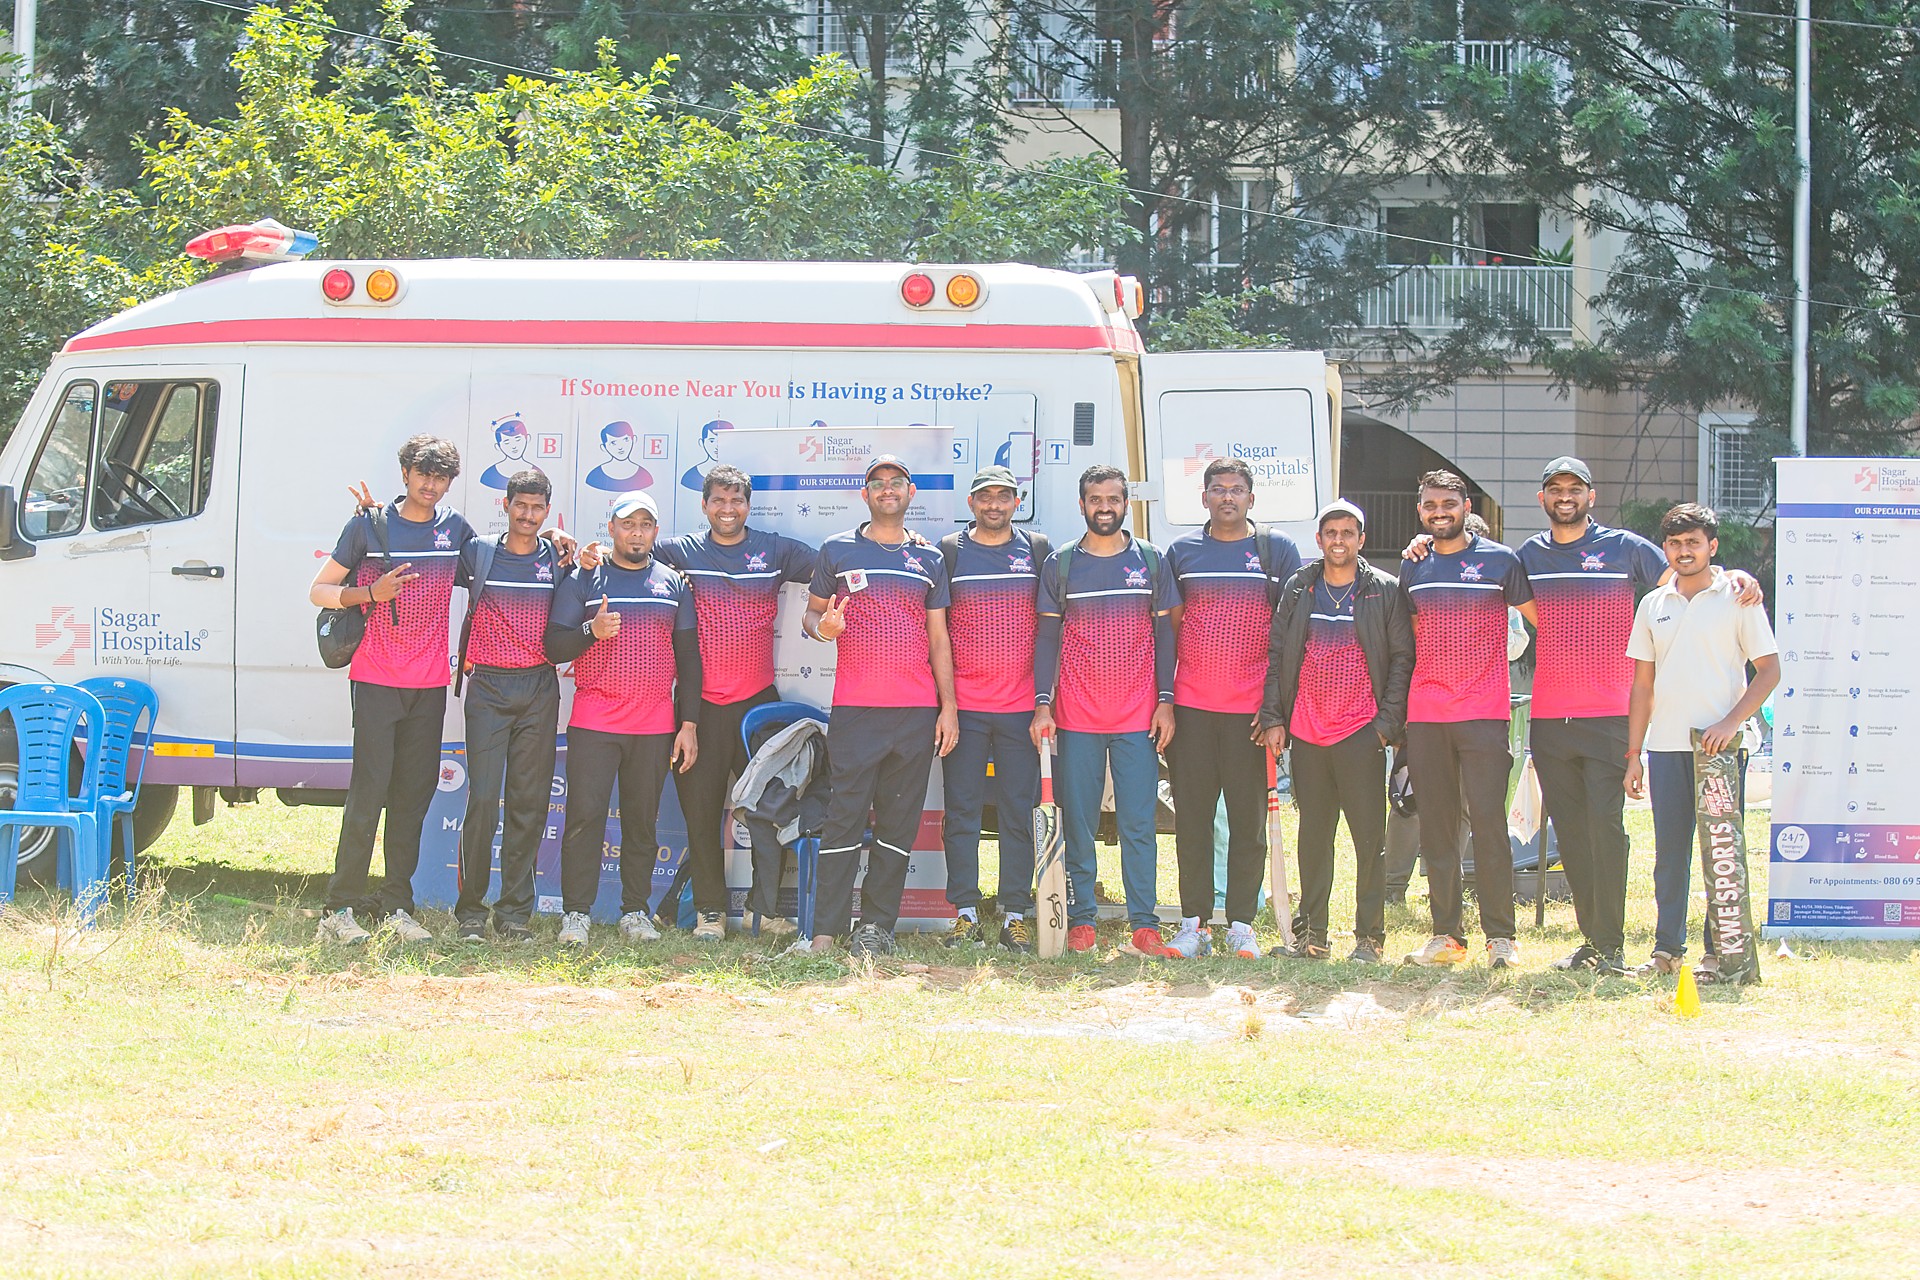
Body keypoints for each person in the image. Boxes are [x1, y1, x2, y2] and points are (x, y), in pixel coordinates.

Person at [308, 435, 474, 945]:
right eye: (423, 474)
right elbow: (318, 590)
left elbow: (497, 563)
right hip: (377, 679)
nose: (430, 485)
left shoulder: (454, 529)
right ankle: (339, 910)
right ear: (405, 473)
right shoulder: (369, 525)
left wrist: (553, 538)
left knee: (412, 798)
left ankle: (397, 905)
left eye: (440, 477)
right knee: (369, 793)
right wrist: (369, 593)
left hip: (429, 684)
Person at [798, 456, 960, 960]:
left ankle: (875, 928)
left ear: (911, 492)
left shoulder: (929, 557)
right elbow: (811, 615)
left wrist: (949, 707)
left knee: (897, 824)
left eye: (896, 483)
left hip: (915, 711)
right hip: (856, 709)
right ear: (864, 495)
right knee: (843, 820)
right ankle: (825, 932)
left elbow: (939, 638)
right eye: (878, 483)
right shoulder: (838, 549)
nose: (888, 490)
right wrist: (823, 630)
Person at [656, 463, 817, 939]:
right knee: (701, 814)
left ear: (748, 505)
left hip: (758, 707)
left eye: (737, 500)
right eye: (719, 500)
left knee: (771, 808)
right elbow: (625, 553)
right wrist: (570, 545)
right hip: (697, 710)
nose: (728, 509)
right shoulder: (681, 551)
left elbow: (834, 565)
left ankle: (761, 911)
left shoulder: (775, 549)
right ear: (704, 504)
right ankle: (709, 911)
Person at [1624, 503, 1778, 981]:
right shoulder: (1653, 604)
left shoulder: (1738, 596)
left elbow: (1769, 671)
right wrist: (1634, 754)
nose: (1684, 551)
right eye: (1675, 543)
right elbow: (1642, 686)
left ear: (1712, 546)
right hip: (1666, 746)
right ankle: (1666, 951)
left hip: (1720, 751)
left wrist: (1731, 723)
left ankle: (1720, 955)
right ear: (1665, 548)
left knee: (1722, 854)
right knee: (1670, 855)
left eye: (1693, 542)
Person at [1032, 464, 1180, 958]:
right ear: (1082, 505)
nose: (1104, 508)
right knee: (1080, 825)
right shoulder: (1062, 564)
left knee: (1139, 824)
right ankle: (1082, 920)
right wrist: (1043, 705)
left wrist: (1165, 701)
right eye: (1095, 499)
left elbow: (1165, 637)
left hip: (1138, 719)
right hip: (1077, 719)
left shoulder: (1151, 561)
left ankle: (1144, 925)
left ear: (1125, 504)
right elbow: (1047, 638)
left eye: (1113, 499)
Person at [1259, 499, 1413, 964]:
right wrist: (1274, 718)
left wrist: (1385, 727)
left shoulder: (1383, 590)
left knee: (1368, 840)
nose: (1339, 540)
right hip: (1308, 731)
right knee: (1313, 838)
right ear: (1319, 539)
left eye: (1348, 533)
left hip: (1361, 733)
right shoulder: (1300, 587)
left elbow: (1402, 660)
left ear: (1361, 540)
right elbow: (1278, 652)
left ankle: (1369, 938)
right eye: (1331, 533)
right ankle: (1314, 935)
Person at [546, 492, 702, 948]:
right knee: (584, 820)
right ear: (611, 528)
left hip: (653, 726)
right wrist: (591, 631)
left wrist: (688, 725)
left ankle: (636, 911)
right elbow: (554, 647)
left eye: (645, 524)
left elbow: (689, 659)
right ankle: (576, 913)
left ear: (656, 531)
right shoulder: (585, 578)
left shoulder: (673, 583)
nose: (636, 533)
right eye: (627, 524)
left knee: (641, 824)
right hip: (595, 722)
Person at [1164, 458, 1300, 960]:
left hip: (1253, 716)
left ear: (1251, 498)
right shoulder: (1181, 553)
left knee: (1248, 825)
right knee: (1193, 823)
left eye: (1236, 489)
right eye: (1218, 489)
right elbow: (1171, 630)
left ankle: (1241, 924)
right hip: (1193, 710)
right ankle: (1194, 925)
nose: (1227, 497)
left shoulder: (1276, 550)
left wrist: (1275, 709)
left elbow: (1290, 635)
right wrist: (1167, 701)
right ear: (1203, 498)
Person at [1397, 470, 1534, 968]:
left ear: (1465, 506)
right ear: (1421, 510)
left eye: (1448, 504)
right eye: (1431, 505)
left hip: (1484, 713)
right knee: (1436, 828)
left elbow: (1540, 621)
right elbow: (1413, 637)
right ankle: (1447, 936)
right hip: (1427, 715)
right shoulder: (1414, 564)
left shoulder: (1501, 561)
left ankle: (1501, 937)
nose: (1440, 512)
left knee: (1488, 825)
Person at [936, 465, 1051, 952]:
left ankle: (1015, 914)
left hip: (1021, 709)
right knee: (961, 811)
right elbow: (937, 631)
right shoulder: (949, 551)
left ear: (1017, 502)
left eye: (1004, 496)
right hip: (963, 708)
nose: (994, 505)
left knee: (1017, 814)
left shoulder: (1038, 550)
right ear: (971, 503)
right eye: (985, 497)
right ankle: (965, 913)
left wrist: (1044, 703)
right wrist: (946, 705)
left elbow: (1050, 629)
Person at [451, 469, 569, 943]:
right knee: (483, 800)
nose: (528, 515)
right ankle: (470, 912)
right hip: (488, 688)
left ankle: (514, 913)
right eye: (520, 505)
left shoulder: (557, 559)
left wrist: (564, 541)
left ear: (547, 511)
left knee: (529, 803)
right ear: (505, 505)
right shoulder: (477, 553)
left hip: (539, 688)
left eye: (537, 508)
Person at [584, 420, 653, 492]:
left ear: (634, 440)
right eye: (613, 443)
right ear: (604, 447)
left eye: (625, 439)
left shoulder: (645, 476)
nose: (620, 447)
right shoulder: (594, 477)